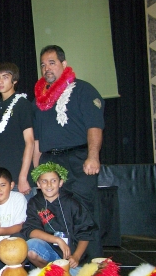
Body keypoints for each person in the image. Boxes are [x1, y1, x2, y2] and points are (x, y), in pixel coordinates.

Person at [32, 45, 104, 257]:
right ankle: (63, 267)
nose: (47, 68)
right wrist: (37, 170)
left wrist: (93, 156)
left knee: (85, 212)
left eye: (52, 63)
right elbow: (37, 139)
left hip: (78, 159)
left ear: (64, 64)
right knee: (54, 215)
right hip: (49, 162)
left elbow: (94, 125)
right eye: (43, 65)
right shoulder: (39, 100)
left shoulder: (83, 89)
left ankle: (93, 269)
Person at [20, 162, 96, 276]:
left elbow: (85, 232)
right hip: (49, 255)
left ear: (61, 183)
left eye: (53, 180)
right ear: (38, 184)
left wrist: (76, 256)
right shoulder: (35, 203)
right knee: (30, 247)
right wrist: (57, 240)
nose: (49, 185)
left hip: (71, 259)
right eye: (44, 181)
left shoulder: (72, 203)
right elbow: (30, 230)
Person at [0, 63, 35, 200]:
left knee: (25, 221)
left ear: (14, 80)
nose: (0, 81)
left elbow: (30, 142)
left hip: (18, 178)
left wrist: (23, 177)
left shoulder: (22, 104)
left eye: (5, 77)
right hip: (1, 180)